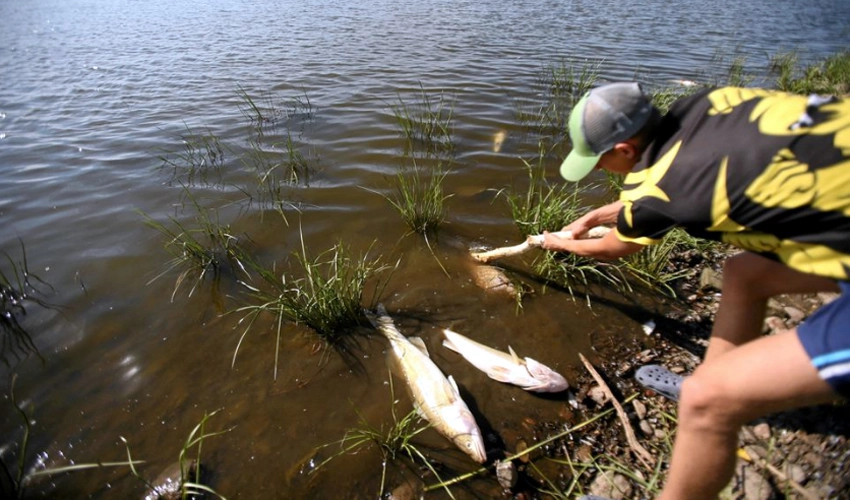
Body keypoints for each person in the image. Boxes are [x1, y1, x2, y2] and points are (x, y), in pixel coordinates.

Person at [541, 82, 850, 499]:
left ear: (627, 150)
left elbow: (615, 247)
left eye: (598, 161)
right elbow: (667, 191)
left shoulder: (660, 195)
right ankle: (714, 377)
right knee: (744, 274)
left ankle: (707, 401)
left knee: (708, 402)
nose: (596, 170)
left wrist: (559, 242)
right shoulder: (706, 103)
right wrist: (595, 214)